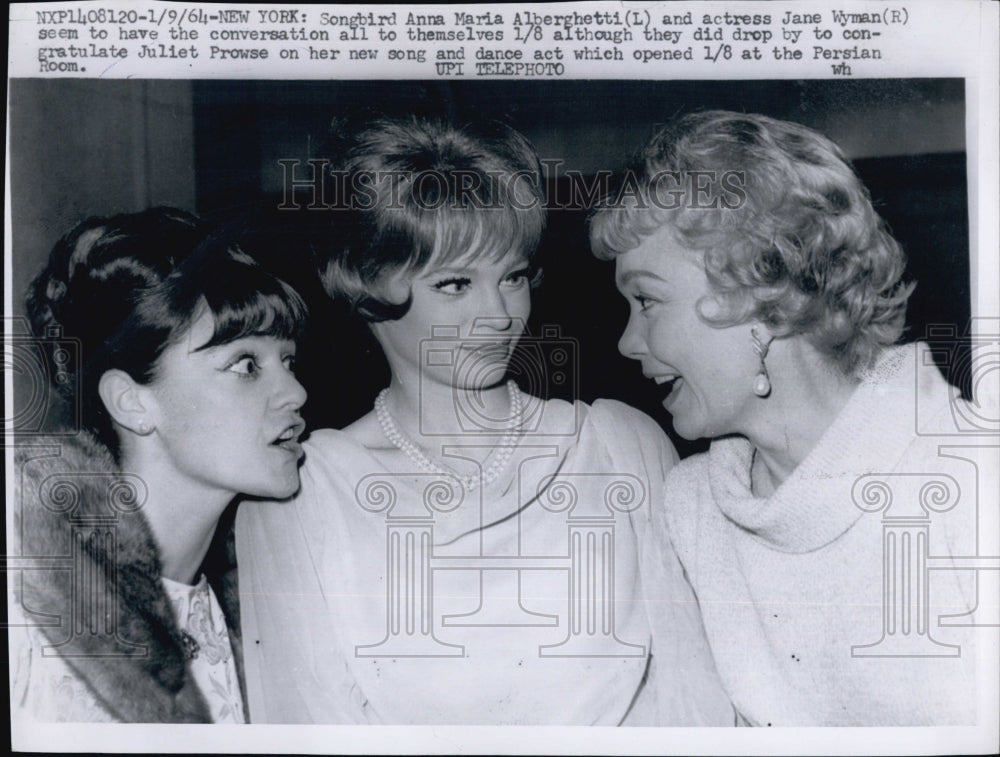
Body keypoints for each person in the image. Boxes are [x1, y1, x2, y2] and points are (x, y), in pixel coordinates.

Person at [235, 117, 734, 725]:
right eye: (455, 284)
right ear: (364, 283)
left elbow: (693, 700)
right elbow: (309, 727)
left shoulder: (618, 443)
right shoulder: (300, 493)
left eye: (514, 277)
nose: (499, 314)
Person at [590, 110, 985, 725]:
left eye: (646, 301)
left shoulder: (970, 476)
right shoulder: (691, 507)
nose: (627, 342)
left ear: (761, 288)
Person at [10, 207, 309, 723]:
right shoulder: (30, 617)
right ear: (132, 403)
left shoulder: (259, 607)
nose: (296, 393)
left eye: (288, 361)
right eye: (245, 364)